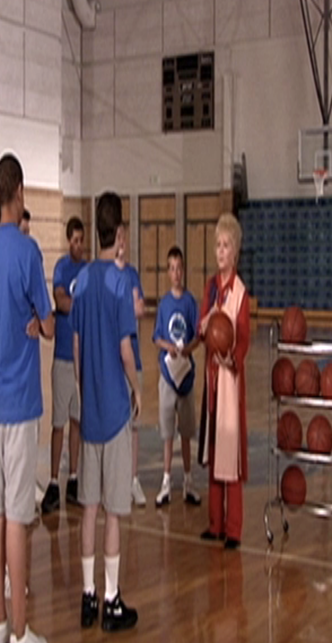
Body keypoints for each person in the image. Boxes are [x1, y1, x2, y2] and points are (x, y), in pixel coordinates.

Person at [0, 154, 54, 643]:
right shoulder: (28, 252)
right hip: (23, 399)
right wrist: (38, 320)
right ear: (21, 192)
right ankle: (20, 629)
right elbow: (48, 324)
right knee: (18, 518)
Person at [72, 192, 139, 633]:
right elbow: (123, 348)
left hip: (91, 409)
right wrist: (137, 386)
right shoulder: (118, 283)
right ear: (118, 233)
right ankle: (112, 599)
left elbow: (77, 347)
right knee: (113, 513)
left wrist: (82, 387)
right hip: (114, 412)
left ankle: (87, 595)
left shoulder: (80, 283)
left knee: (89, 511)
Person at [197, 213, 249, 550]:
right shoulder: (210, 287)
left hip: (230, 379)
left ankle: (234, 528)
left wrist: (232, 357)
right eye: (217, 244)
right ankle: (215, 523)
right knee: (214, 452)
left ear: (235, 252)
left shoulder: (240, 293)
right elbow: (204, 325)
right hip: (212, 378)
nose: (220, 250)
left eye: (226, 245)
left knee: (231, 454)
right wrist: (205, 328)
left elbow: (242, 339)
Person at [41, 217, 86, 514]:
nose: (78, 245)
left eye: (82, 240)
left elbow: (77, 302)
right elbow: (61, 299)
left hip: (81, 359)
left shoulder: (87, 270)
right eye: (74, 240)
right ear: (68, 240)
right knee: (58, 423)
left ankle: (73, 479)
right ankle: (53, 481)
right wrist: (76, 302)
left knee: (76, 422)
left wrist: (77, 302)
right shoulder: (61, 267)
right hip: (61, 357)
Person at [152, 246, 201, 507]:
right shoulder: (164, 304)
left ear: (184, 270)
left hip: (186, 375)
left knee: (186, 432)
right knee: (168, 432)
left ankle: (188, 482)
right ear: (167, 272)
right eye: (171, 268)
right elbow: (157, 337)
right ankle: (166, 481)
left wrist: (187, 349)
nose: (176, 273)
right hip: (168, 375)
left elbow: (197, 337)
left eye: (179, 268)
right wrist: (168, 347)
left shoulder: (190, 302)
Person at [115, 224, 146, 506]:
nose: (122, 241)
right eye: (119, 236)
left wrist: (127, 305)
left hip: (133, 356)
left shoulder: (133, 273)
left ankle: (133, 479)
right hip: (114, 359)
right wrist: (129, 304)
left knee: (134, 423)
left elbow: (140, 308)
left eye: (126, 236)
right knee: (117, 423)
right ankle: (116, 479)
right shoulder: (109, 274)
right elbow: (130, 307)